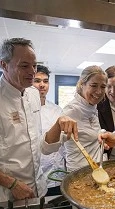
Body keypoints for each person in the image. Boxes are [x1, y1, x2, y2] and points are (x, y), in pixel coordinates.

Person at [0, 37, 78, 203]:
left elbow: (38, 145)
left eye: (34, 65)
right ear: (3, 64)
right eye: (24, 66)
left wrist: (58, 124)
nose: (32, 71)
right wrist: (13, 185)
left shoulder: (32, 93)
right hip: (4, 196)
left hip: (38, 189)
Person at [63, 65, 108, 171]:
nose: (99, 91)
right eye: (94, 85)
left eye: (102, 87)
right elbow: (50, 147)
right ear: (82, 84)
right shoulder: (71, 111)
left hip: (98, 169)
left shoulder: (92, 106)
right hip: (79, 173)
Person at [32, 64, 66, 196]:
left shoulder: (57, 110)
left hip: (57, 175)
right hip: (34, 177)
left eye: (45, 81)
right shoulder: (23, 110)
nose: (42, 85)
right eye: (37, 81)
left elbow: (63, 142)